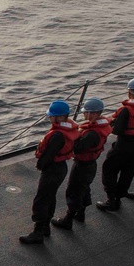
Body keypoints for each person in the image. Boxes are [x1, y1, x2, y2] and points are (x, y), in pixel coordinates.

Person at [20, 101, 79, 244]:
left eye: (51, 116)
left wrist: (40, 164)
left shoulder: (57, 135)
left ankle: (38, 231)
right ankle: (45, 226)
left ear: (59, 118)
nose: (49, 119)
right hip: (60, 167)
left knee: (41, 199)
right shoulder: (66, 131)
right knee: (50, 197)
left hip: (52, 169)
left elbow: (49, 154)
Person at [51, 98, 111, 230]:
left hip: (83, 165)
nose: (84, 115)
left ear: (93, 114)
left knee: (74, 190)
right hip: (90, 164)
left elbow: (78, 148)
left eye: (86, 113)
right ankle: (80, 213)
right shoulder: (100, 127)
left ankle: (68, 218)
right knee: (84, 188)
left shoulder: (91, 134)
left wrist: (73, 137)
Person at [96, 79, 134, 211]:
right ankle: (119, 197)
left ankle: (111, 199)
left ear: (129, 92)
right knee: (128, 172)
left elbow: (117, 130)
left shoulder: (126, 110)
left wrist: (113, 122)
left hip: (123, 145)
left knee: (109, 169)